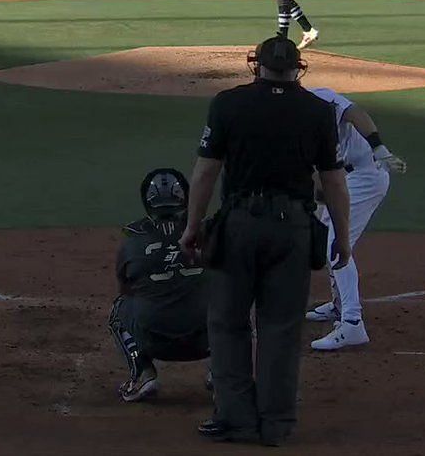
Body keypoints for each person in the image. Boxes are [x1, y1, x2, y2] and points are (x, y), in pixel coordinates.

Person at [180, 36, 352, 447]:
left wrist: (192, 226)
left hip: (238, 224)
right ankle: (274, 424)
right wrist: (343, 240)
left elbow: (205, 173)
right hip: (292, 228)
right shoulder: (317, 111)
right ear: (299, 67)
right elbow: (333, 183)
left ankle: (236, 418)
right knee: (280, 326)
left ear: (256, 64)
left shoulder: (228, 103)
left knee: (227, 323)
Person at [303, 88, 407, 350]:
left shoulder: (319, 97)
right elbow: (316, 171)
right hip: (340, 179)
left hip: (365, 176)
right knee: (327, 237)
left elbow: (356, 114)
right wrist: (317, 202)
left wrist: (380, 148)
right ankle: (339, 306)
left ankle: (352, 323)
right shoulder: (290, 119)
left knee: (335, 242)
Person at [108, 168, 211, 402]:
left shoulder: (132, 242)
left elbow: (126, 291)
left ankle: (142, 373)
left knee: (119, 309)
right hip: (208, 341)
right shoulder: (209, 234)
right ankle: (224, 371)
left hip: (155, 342)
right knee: (237, 300)